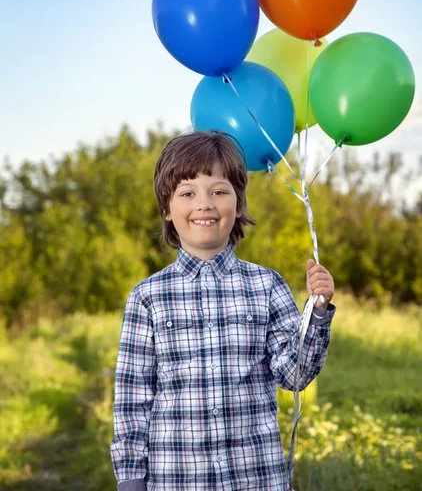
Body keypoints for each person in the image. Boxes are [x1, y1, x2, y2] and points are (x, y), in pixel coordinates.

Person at [110, 130, 335, 491]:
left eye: (218, 190)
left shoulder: (267, 286)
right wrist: (131, 478)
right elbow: (133, 399)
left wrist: (318, 312)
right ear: (168, 210)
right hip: (177, 480)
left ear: (238, 203)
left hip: (256, 477)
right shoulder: (147, 297)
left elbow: (294, 375)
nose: (205, 203)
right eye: (187, 193)